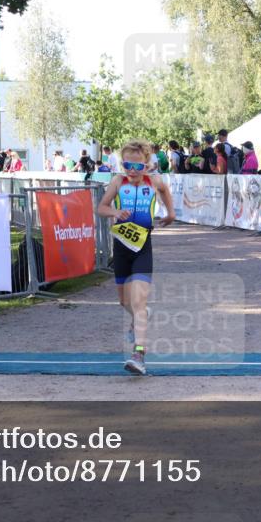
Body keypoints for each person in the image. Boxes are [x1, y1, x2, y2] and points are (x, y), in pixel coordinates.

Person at [96, 140, 176, 376]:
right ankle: (141, 315)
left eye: (137, 165)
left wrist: (171, 214)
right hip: (121, 249)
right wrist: (115, 212)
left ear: (146, 164)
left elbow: (165, 191)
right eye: (127, 164)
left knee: (139, 303)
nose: (132, 170)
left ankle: (138, 353)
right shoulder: (117, 182)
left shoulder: (155, 182)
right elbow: (101, 207)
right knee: (125, 302)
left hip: (143, 248)